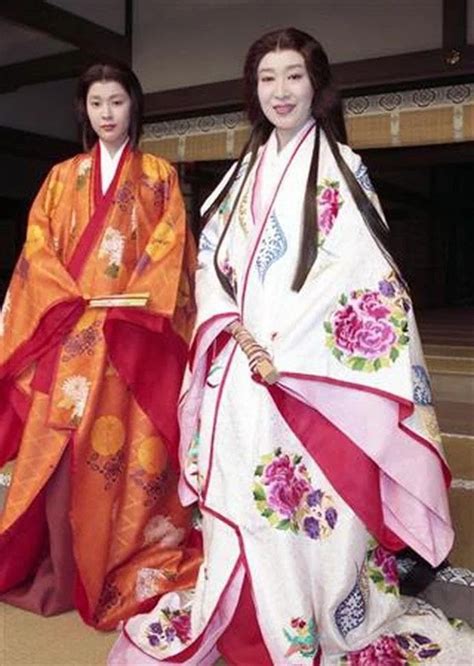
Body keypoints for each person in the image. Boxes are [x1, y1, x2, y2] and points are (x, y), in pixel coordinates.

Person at [109, 29, 473, 664]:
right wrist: (232, 326)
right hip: (243, 365)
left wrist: (283, 344)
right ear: (255, 90)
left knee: (307, 499)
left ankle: (316, 616)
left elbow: (361, 274)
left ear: (316, 85)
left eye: (293, 76)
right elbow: (212, 263)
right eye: (268, 78)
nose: (280, 91)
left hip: (306, 371)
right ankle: (241, 612)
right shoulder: (241, 174)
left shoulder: (343, 167)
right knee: (243, 491)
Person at [0, 62, 201, 630]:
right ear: (84, 112)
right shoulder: (62, 178)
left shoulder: (159, 176)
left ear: (134, 105)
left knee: (123, 458)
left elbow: (171, 257)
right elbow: (37, 248)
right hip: (68, 339)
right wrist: (66, 303)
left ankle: (122, 555)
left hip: (126, 346)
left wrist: (129, 304)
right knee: (59, 456)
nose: (107, 114)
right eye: (96, 104)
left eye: (116, 102)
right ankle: (60, 567)